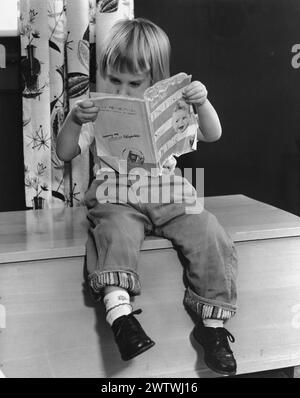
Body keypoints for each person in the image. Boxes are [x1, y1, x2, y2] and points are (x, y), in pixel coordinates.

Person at [56, 17, 238, 376]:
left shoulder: (172, 107)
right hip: (116, 191)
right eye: (113, 80)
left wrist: (203, 103)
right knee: (114, 232)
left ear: (156, 83)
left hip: (166, 189)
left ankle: (212, 327)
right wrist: (75, 120)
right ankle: (120, 316)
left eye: (134, 84)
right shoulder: (97, 111)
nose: (122, 92)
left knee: (211, 232)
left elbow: (213, 134)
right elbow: (64, 153)